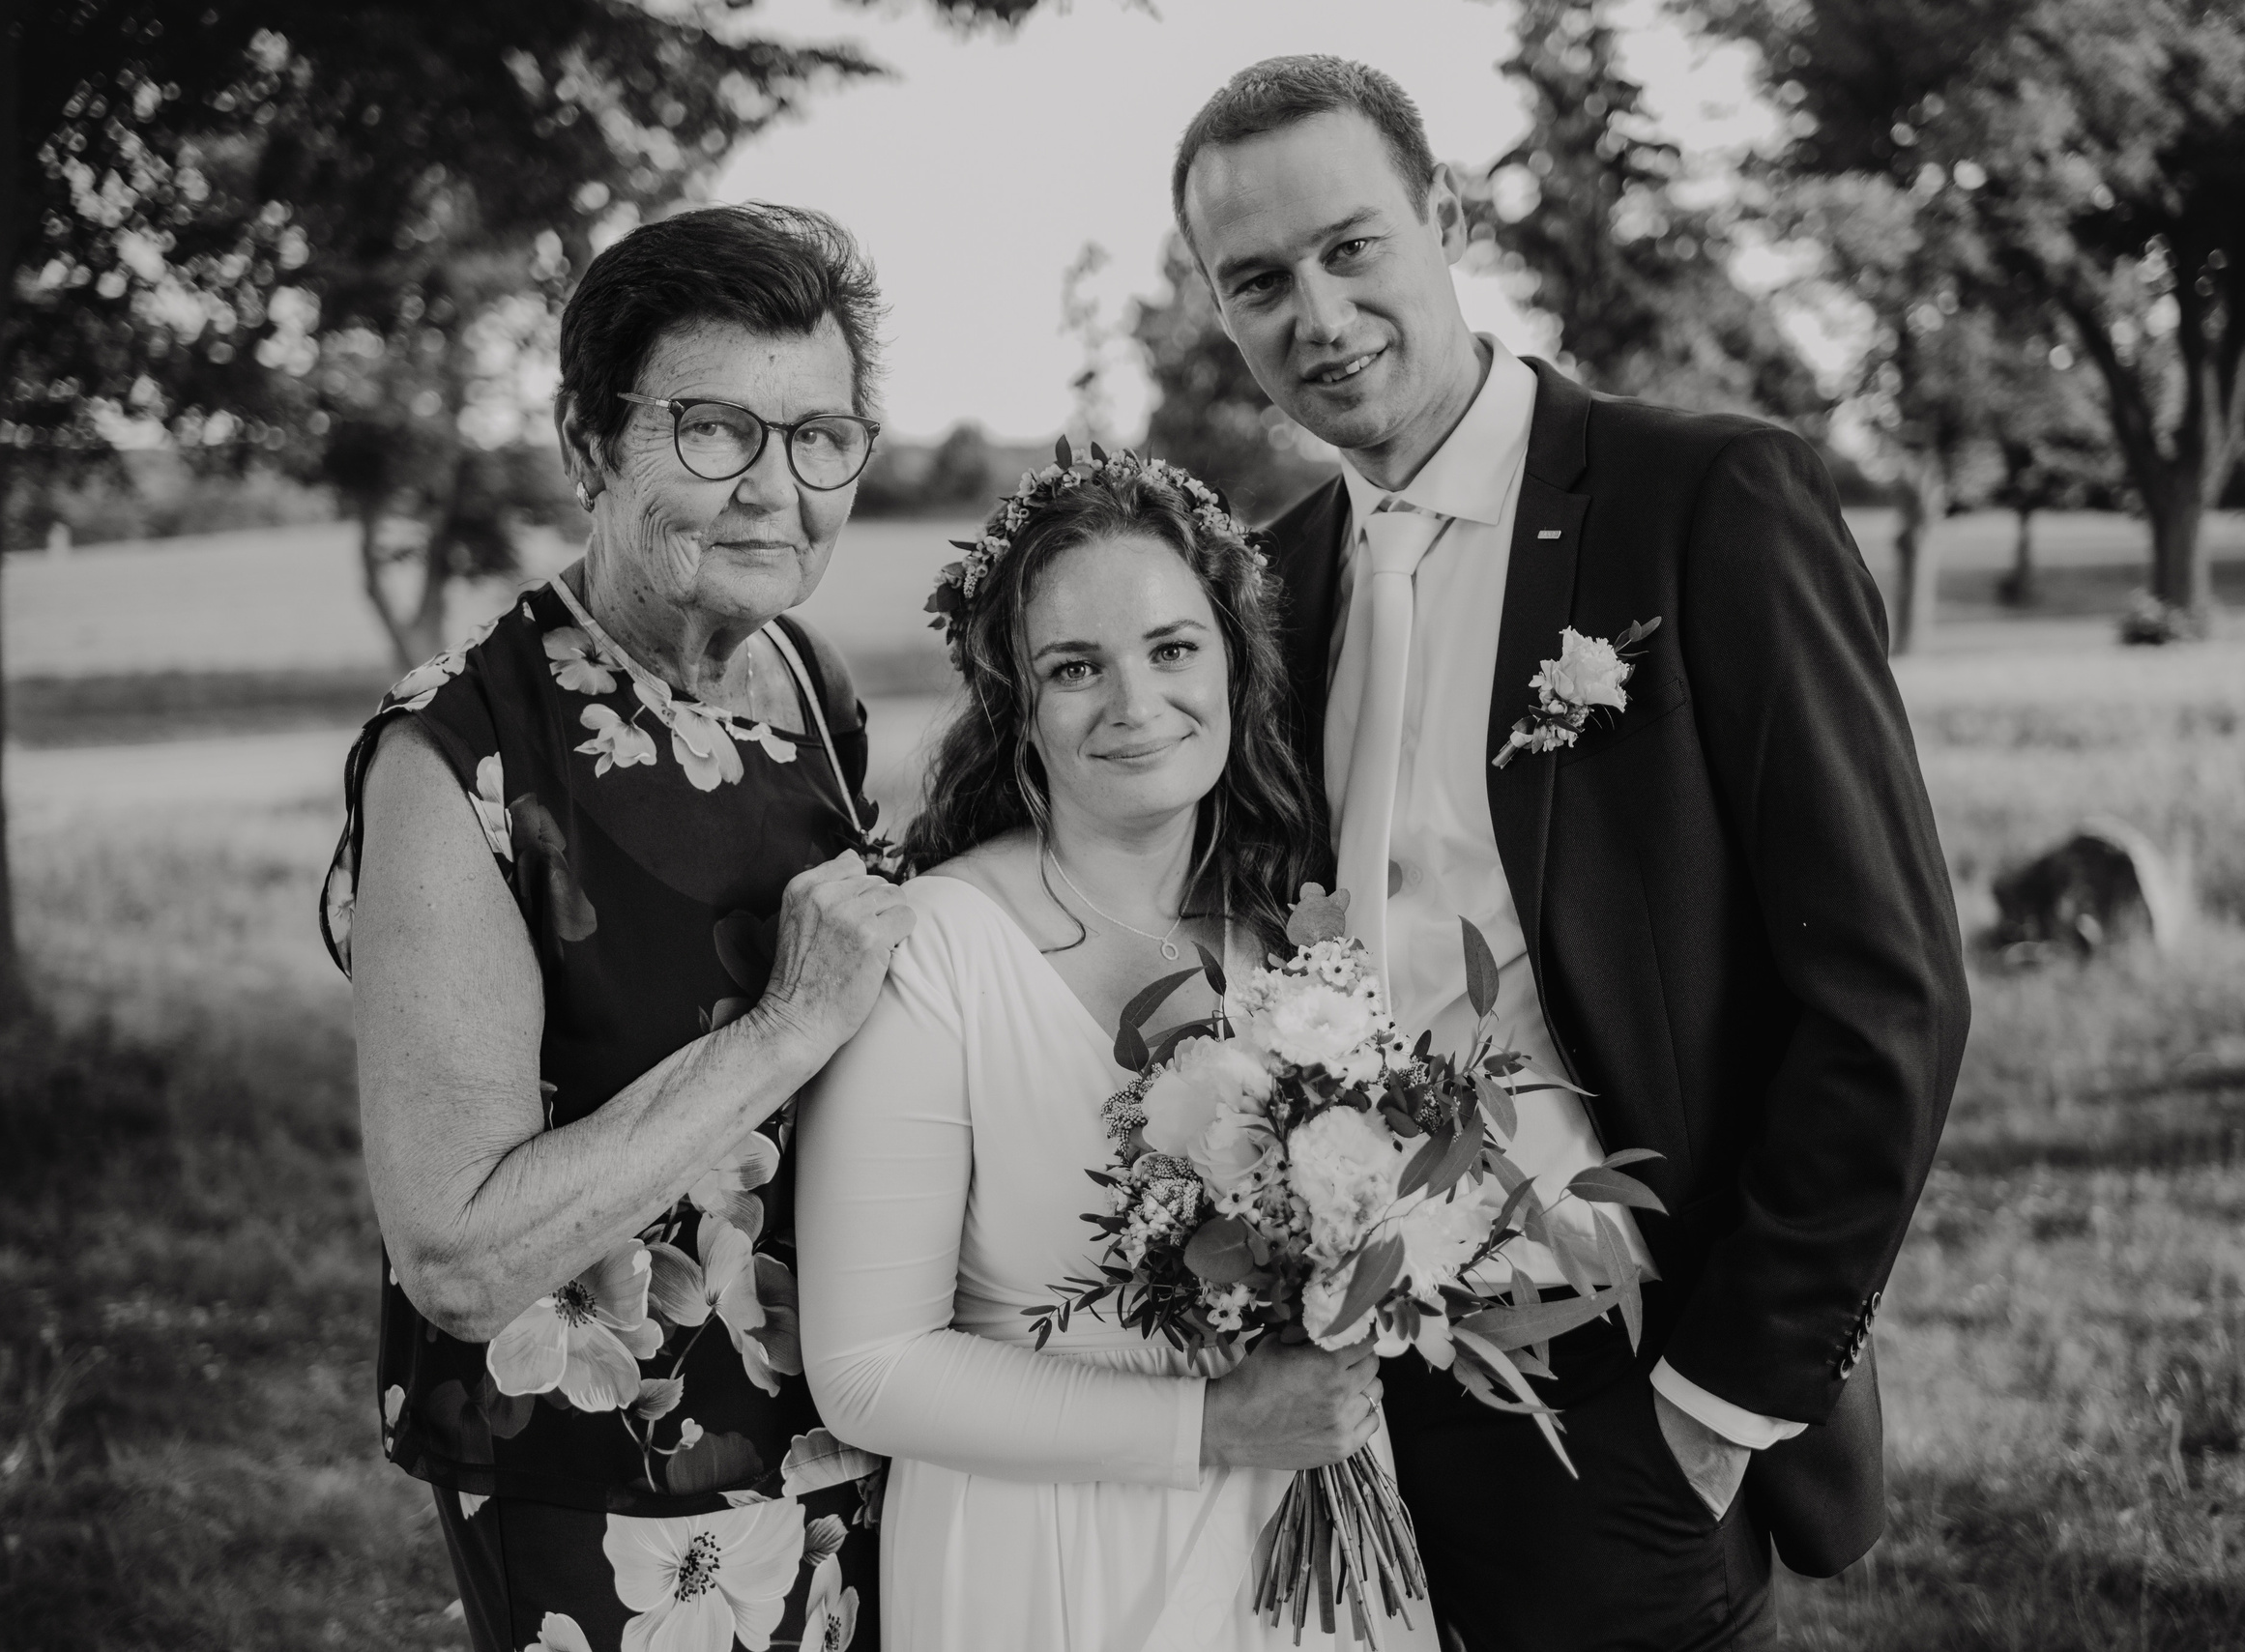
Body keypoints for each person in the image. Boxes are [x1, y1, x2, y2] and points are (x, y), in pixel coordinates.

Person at [1172, 57, 1972, 1650]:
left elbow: (1889, 990)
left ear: (1446, 217)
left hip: (1629, 1390)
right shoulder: (1263, 582)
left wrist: (1721, 1395)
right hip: (1345, 1407)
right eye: (1257, 281)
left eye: (1350, 249)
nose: (1315, 316)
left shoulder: (1705, 499)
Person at [320, 203, 913, 1652]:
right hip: (613, 1495)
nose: (776, 488)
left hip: (851, 1429)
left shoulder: (806, 685)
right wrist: (786, 1026)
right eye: (714, 429)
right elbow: (455, 1253)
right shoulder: (457, 755)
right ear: (591, 443)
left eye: (821, 436)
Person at [794, 455, 1441, 1651]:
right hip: (1047, 1564)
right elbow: (866, 1368)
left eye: (1172, 648)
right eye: (1074, 667)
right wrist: (1209, 1424)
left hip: (1302, 1542)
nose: (1135, 701)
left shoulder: (1290, 945)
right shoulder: (937, 951)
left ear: (1236, 667)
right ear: (1018, 706)